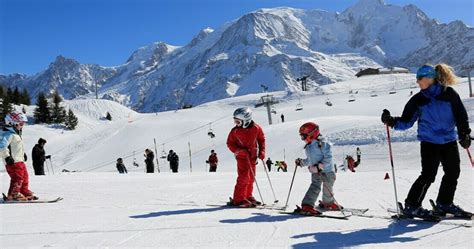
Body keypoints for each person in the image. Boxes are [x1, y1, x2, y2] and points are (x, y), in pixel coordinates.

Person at [381, 64, 471, 219]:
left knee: (453, 172)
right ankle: (412, 205)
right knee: (428, 175)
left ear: (430, 78)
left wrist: (464, 134)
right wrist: (391, 121)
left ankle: (445, 203)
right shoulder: (418, 99)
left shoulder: (449, 94)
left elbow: (461, 115)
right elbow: (406, 121)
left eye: (419, 79)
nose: (417, 82)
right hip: (429, 142)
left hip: (449, 140)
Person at [294, 121, 340, 215]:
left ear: (311, 134)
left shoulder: (323, 144)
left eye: (303, 136)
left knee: (328, 188)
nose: (302, 139)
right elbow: (310, 160)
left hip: (328, 171)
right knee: (315, 187)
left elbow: (328, 158)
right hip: (316, 172)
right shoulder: (309, 146)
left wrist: (320, 166)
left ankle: (328, 203)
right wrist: (302, 162)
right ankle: (307, 205)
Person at [227, 107, 265, 207]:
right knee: (243, 177)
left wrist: (262, 152)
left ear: (246, 120)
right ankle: (238, 199)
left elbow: (261, 140)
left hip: (253, 157)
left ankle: (248, 196)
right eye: (235, 122)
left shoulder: (256, 128)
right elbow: (230, 143)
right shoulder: (235, 131)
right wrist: (238, 151)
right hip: (242, 157)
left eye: (238, 122)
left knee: (251, 178)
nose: (236, 124)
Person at [0, 112, 37, 201]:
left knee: (25, 176)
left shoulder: (16, 134)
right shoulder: (7, 134)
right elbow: (2, 146)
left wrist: (22, 154)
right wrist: (7, 157)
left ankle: (23, 191)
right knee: (17, 177)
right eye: (21, 123)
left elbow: (16, 147)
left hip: (19, 160)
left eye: (23, 123)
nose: (22, 125)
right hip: (12, 161)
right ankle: (13, 194)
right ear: (12, 123)